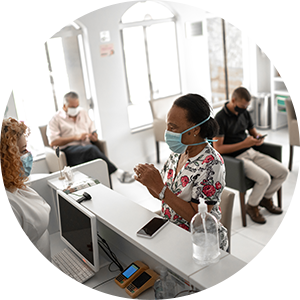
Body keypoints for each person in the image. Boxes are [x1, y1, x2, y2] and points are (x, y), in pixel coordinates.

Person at [134, 94, 228, 251]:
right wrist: (149, 181)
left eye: (173, 127)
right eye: (167, 126)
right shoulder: (179, 152)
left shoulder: (211, 164)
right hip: (171, 232)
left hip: (201, 242)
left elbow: (198, 219)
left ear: (195, 129)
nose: (168, 132)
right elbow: (162, 195)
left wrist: (160, 188)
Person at [214, 87, 289, 224]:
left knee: (283, 172)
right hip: (235, 159)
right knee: (264, 178)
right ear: (233, 100)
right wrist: (244, 143)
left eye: (247, 106)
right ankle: (252, 206)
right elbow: (218, 149)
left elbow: (254, 132)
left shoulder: (244, 113)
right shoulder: (220, 118)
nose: (245, 108)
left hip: (251, 152)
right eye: (242, 106)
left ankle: (265, 199)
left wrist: (259, 138)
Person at [0, 117, 52, 300]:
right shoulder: (3, 205)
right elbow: (18, 273)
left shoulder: (12, 185)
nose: (28, 155)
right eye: (22, 151)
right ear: (4, 157)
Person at [47, 92, 134, 183]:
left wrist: (94, 136)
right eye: (72, 107)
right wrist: (75, 137)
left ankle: (106, 183)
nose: (75, 109)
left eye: (77, 106)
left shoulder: (82, 112)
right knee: (91, 150)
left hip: (86, 146)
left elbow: (92, 129)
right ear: (64, 106)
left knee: (92, 151)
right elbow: (53, 142)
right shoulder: (55, 119)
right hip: (68, 151)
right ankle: (118, 173)